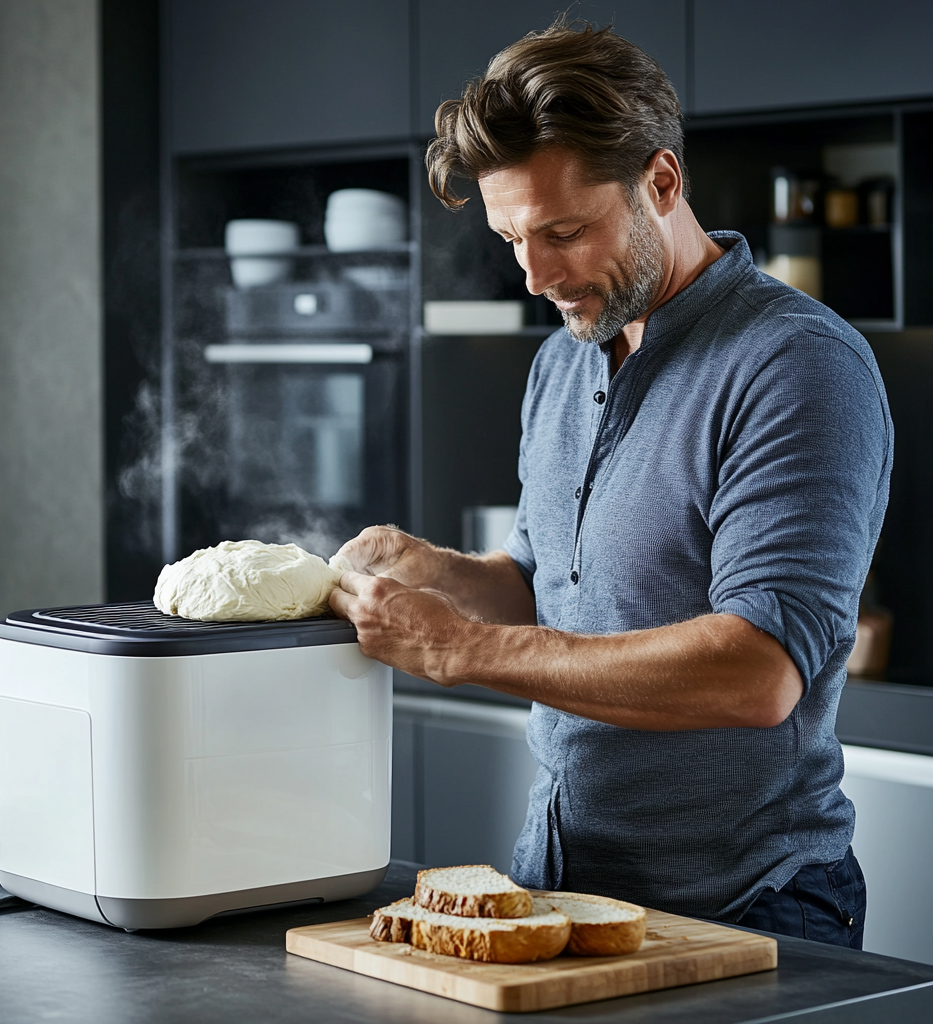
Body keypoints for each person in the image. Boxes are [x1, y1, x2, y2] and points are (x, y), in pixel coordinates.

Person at [328, 19, 892, 948]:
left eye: (564, 232)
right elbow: (547, 583)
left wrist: (458, 650)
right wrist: (435, 572)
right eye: (514, 239)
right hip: (556, 885)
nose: (537, 275)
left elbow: (758, 672)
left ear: (661, 183)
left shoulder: (796, 364)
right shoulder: (565, 359)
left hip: (748, 904)